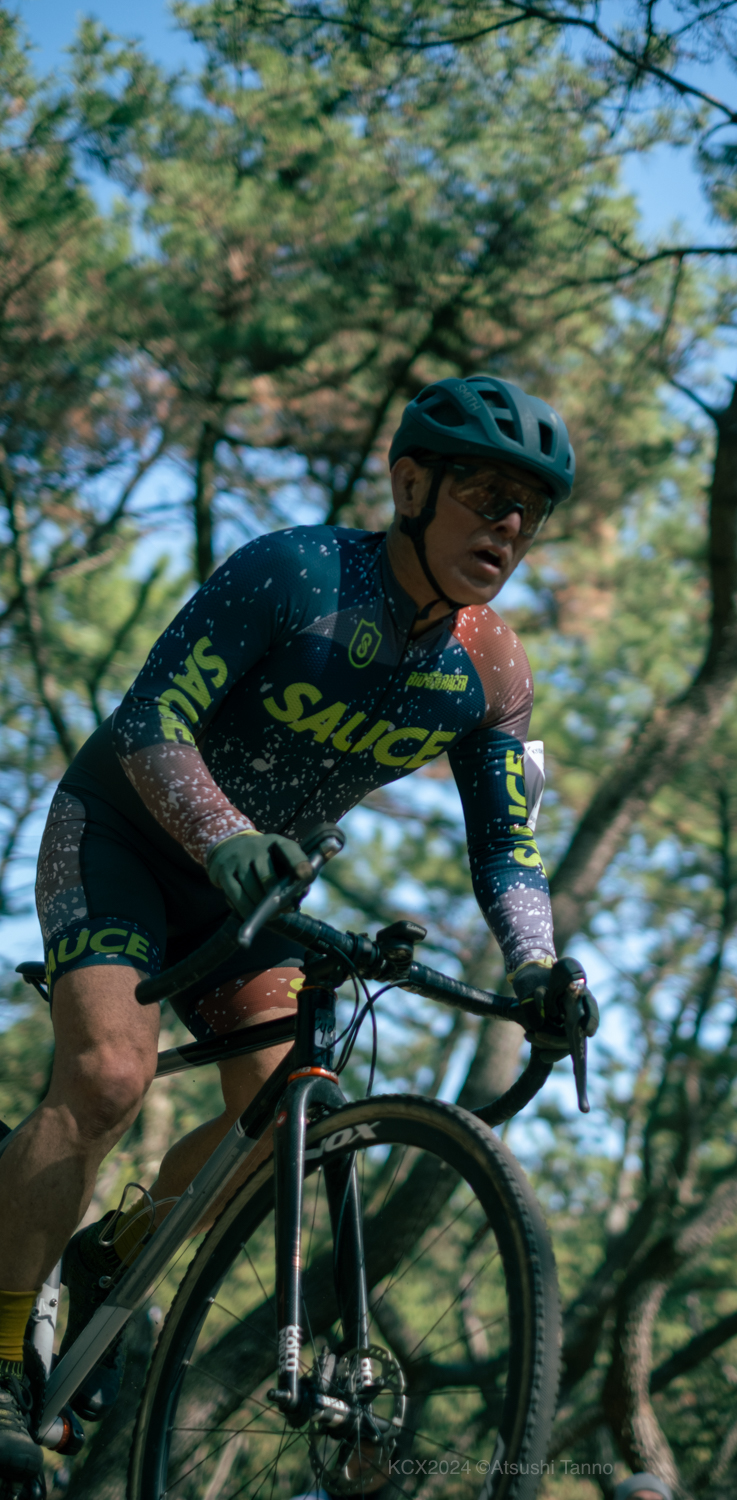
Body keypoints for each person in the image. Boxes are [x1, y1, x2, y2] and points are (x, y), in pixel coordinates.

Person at [0, 375, 591, 1484]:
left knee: (279, 1133)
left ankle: (109, 1259)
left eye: (531, 509)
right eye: (485, 493)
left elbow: (508, 847)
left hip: (252, 894)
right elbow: (152, 718)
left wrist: (537, 967)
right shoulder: (296, 572)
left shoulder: (491, 669)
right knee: (109, 1078)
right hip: (122, 839)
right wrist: (223, 834)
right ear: (411, 486)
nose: (509, 525)